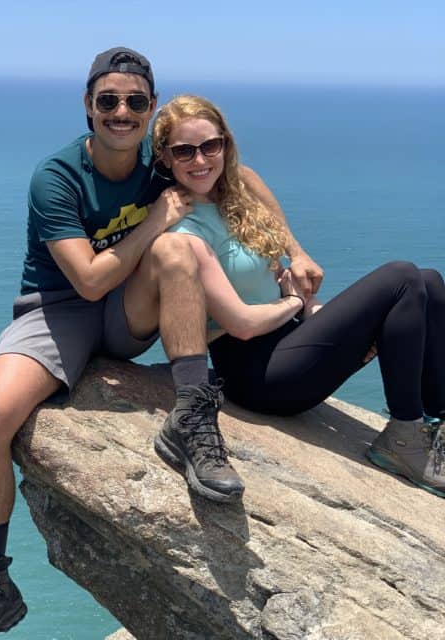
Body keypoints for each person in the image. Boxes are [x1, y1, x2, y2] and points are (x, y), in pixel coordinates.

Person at [0, 49, 322, 640]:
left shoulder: (164, 157)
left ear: (150, 109)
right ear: (88, 107)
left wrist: (294, 251)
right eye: (108, 101)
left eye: (135, 102)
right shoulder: (58, 177)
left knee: (176, 252)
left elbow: (240, 177)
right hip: (60, 307)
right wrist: (154, 220)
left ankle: (192, 419)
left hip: (128, 311)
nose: (122, 112)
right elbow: (88, 279)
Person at [150, 94, 445, 500]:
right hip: (257, 374)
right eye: (184, 151)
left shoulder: (237, 196)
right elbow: (241, 324)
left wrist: (308, 298)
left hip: (291, 343)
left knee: (428, 281)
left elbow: (278, 259)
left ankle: (435, 424)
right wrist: (293, 302)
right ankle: (403, 439)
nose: (200, 160)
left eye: (209, 146)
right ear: (165, 158)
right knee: (402, 278)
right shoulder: (182, 231)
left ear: (225, 145)